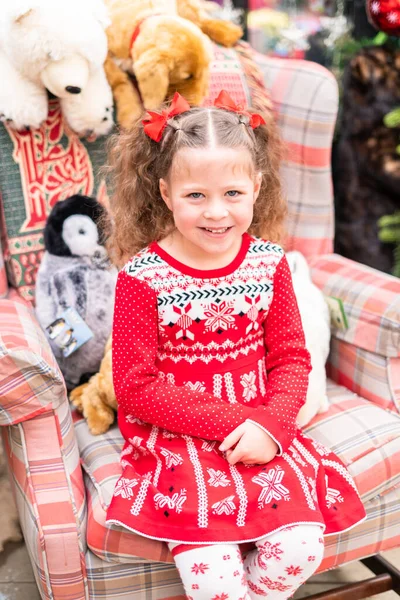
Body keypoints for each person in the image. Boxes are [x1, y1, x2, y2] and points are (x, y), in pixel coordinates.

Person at [105, 90, 366, 600]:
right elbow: (135, 388)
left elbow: (292, 358)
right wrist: (236, 424)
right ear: (164, 192)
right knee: (215, 580)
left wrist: (270, 424)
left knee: (299, 549)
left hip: (263, 429)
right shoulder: (141, 279)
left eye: (232, 193)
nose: (216, 212)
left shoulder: (269, 264)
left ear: (256, 188)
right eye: (195, 195)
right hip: (180, 436)